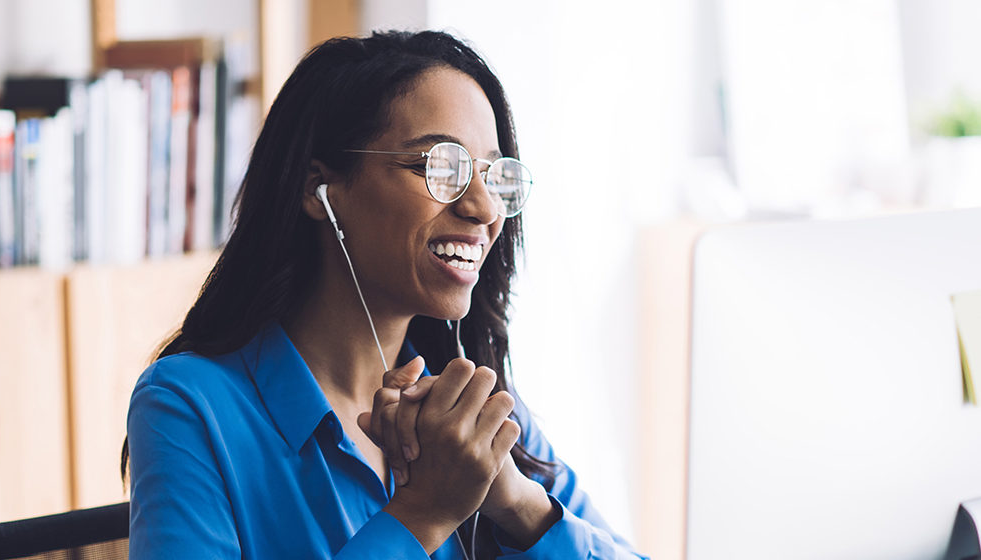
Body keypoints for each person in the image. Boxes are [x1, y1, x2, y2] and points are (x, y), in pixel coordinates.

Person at [124, 29, 646, 559]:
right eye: (440, 168)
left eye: (492, 175)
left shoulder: (476, 408)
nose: (485, 209)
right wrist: (423, 514)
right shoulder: (189, 405)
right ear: (318, 188)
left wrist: (519, 505)